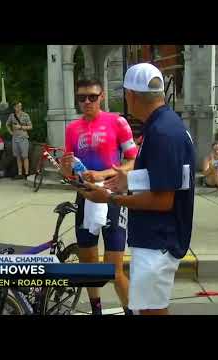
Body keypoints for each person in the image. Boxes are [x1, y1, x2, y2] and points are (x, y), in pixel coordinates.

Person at [81, 63, 196, 315]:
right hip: (159, 238)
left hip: (158, 241)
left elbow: (164, 200)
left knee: (151, 311)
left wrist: (110, 198)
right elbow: (164, 177)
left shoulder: (163, 132)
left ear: (130, 95)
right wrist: (128, 180)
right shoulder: (165, 124)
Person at [60, 79, 138, 316]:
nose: (86, 102)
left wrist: (103, 174)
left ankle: (130, 311)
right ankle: (96, 311)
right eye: (81, 97)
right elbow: (69, 170)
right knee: (88, 267)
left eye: (92, 97)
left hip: (113, 197)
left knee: (114, 270)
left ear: (101, 96)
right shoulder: (72, 128)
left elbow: (133, 161)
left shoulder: (117, 121)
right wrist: (66, 170)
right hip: (85, 197)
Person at [6, 102, 32, 179]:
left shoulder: (25, 115)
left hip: (23, 137)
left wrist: (20, 127)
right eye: (17, 106)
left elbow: (30, 126)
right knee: (18, 156)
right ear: (14, 107)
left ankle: (26, 173)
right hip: (15, 138)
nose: (19, 107)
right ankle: (20, 173)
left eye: (20, 106)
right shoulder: (12, 116)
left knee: (25, 156)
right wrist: (10, 132)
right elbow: (7, 124)